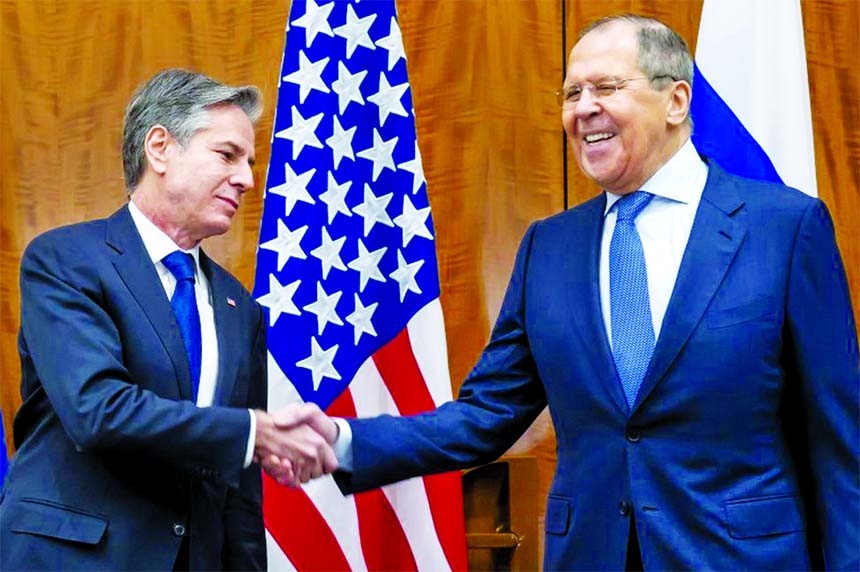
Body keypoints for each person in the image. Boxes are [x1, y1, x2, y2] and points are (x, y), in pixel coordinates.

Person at [282, 14, 860, 571]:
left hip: (740, 558)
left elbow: (839, 439)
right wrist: (344, 438)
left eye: (606, 86)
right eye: (571, 93)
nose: (584, 108)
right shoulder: (549, 248)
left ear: (677, 102)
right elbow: (487, 414)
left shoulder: (784, 228)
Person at [0, 69, 337, 571]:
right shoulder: (66, 260)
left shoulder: (237, 306)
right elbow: (97, 410)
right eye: (228, 155)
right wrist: (253, 431)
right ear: (160, 148)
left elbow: (239, 485)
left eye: (249, 162)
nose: (247, 178)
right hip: (74, 558)